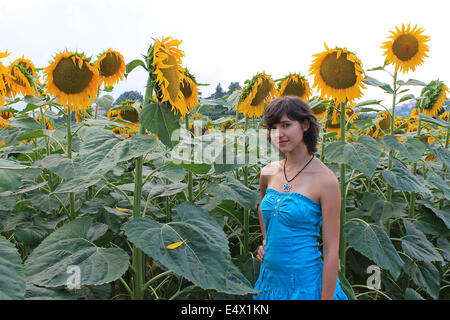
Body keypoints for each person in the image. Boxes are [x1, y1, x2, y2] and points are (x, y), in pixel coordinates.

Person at [253, 96, 348, 300]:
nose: (279, 134)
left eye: (286, 125)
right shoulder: (268, 172)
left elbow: (332, 251)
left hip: (306, 287)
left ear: (305, 124)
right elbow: (263, 207)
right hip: (270, 283)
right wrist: (266, 241)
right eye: (273, 128)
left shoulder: (326, 181)